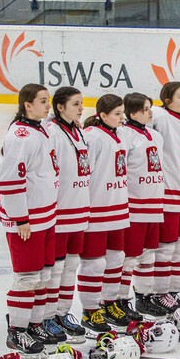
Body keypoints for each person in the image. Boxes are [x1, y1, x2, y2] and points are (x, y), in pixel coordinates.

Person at [0, 84, 58, 354]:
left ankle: (34, 324)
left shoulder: (39, 129)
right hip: (27, 220)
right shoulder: (21, 135)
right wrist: (20, 218)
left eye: (48, 100)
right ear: (27, 105)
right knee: (28, 277)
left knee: (43, 274)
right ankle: (17, 331)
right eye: (42, 101)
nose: (47, 106)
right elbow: (9, 180)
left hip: (43, 216)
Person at [78, 94, 130, 333]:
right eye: (117, 113)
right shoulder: (91, 137)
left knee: (116, 258)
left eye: (123, 113)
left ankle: (108, 303)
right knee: (94, 263)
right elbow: (83, 173)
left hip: (118, 207)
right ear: (103, 115)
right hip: (96, 209)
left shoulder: (118, 135)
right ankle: (90, 310)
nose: (122, 118)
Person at [44, 87, 89, 343]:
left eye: (81, 104)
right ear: (60, 107)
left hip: (79, 210)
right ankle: (47, 316)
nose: (81, 108)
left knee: (70, 267)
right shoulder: (52, 132)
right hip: (61, 212)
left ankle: (62, 313)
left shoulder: (78, 130)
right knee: (56, 269)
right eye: (75, 104)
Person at [119, 93, 168, 318]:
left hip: (154, 204)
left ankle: (144, 297)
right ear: (132, 113)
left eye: (150, 108)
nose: (151, 112)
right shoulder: (124, 136)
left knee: (149, 255)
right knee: (129, 257)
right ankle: (119, 301)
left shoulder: (155, 135)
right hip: (134, 207)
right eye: (145, 109)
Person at [149, 81, 180, 311]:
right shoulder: (160, 116)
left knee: (179, 247)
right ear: (167, 100)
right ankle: (159, 293)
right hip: (168, 195)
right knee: (165, 248)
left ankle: (173, 292)